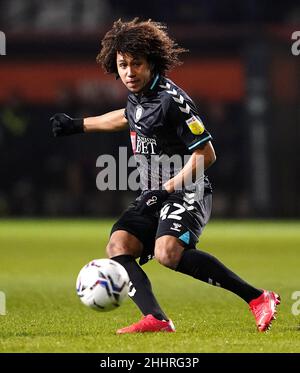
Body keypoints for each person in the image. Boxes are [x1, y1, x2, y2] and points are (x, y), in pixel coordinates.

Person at [50, 18, 280, 334]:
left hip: (187, 189)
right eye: (122, 65)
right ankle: (156, 319)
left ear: (153, 63)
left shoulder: (173, 100)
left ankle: (258, 298)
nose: (129, 72)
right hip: (155, 191)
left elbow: (207, 154)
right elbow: (127, 117)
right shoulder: (139, 95)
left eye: (136, 64)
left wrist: (165, 189)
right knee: (119, 245)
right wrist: (79, 124)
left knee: (167, 253)